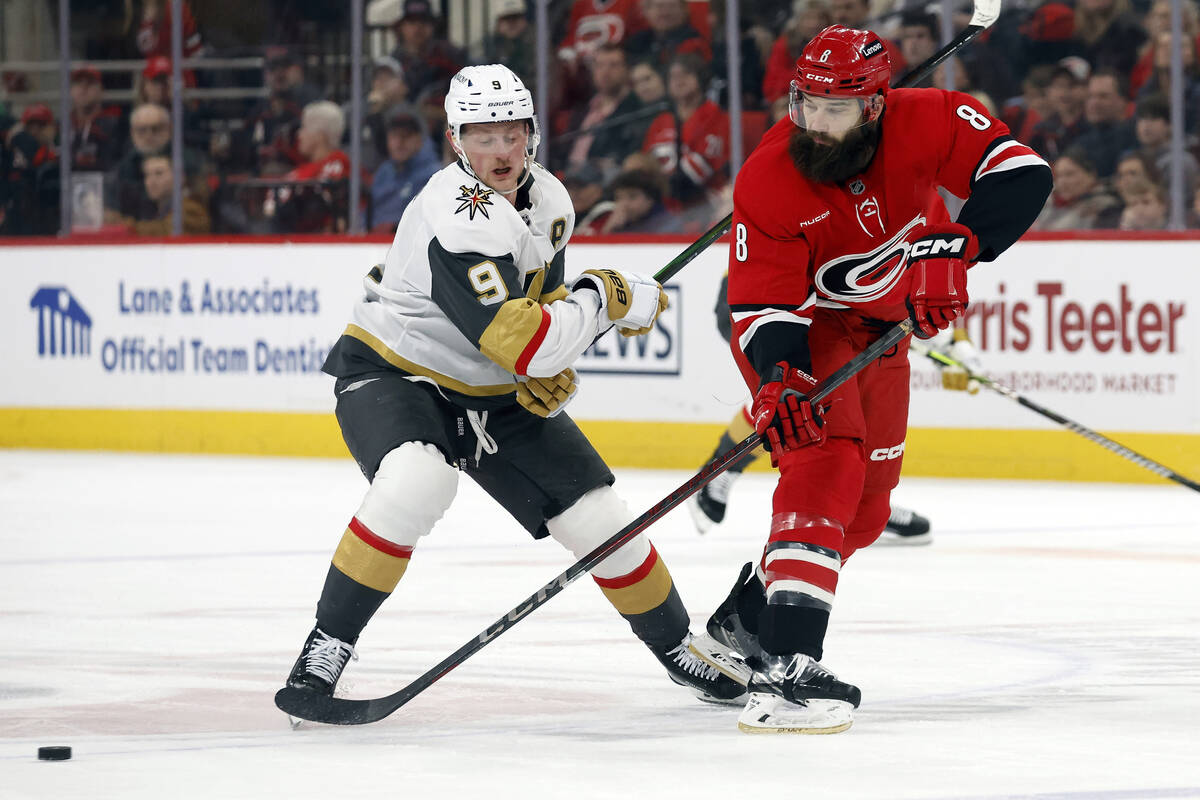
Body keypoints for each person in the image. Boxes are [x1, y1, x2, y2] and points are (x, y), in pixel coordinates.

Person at [281, 64, 749, 711]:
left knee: (602, 517)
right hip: (397, 371)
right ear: (455, 140)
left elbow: (539, 309)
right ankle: (326, 646)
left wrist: (544, 359)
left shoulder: (552, 199)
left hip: (488, 392)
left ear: (532, 132)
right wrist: (604, 299)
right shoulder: (457, 215)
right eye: (483, 136)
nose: (500, 150)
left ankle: (675, 645)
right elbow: (523, 339)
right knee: (417, 480)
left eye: (512, 133)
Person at [706, 25, 1051, 734]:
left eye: (834, 109)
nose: (815, 124)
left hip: (885, 336)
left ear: (873, 106)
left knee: (863, 513)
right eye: (805, 104)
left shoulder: (927, 117)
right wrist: (781, 377)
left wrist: (961, 243)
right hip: (810, 327)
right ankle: (786, 670)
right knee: (824, 462)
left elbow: (1022, 173)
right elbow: (763, 305)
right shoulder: (770, 176)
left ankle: (741, 628)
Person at [685, 274, 984, 545]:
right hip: (765, 298)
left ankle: (860, 499)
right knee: (798, 396)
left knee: (852, 395)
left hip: (836, 300)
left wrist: (951, 343)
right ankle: (721, 472)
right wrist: (944, 342)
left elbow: (904, 265)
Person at [369, 104, 440, 232]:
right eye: (394, 136)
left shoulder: (434, 175)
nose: (399, 142)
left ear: (419, 140)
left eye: (406, 136)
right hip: (374, 244)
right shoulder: (383, 173)